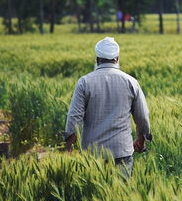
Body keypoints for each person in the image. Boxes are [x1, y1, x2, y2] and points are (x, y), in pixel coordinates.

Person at [64, 37, 151, 176]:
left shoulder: (84, 82)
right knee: (121, 193)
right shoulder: (131, 82)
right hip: (121, 151)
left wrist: (68, 148)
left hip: (92, 153)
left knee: (94, 194)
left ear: (97, 59)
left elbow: (74, 118)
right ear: (117, 58)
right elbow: (142, 117)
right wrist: (141, 139)